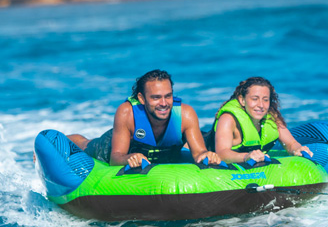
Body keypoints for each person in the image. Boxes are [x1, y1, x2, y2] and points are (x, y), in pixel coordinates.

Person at [68, 69, 221, 168]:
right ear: (141, 98)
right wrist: (129, 157)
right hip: (110, 147)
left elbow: (199, 152)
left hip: (161, 154)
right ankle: (66, 139)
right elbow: (115, 158)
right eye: (156, 97)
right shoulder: (127, 113)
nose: (163, 103)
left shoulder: (185, 114)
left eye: (168, 96)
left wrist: (205, 154)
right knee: (85, 145)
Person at [211, 77, 312, 164]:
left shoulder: (272, 118)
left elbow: (290, 143)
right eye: (255, 99)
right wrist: (246, 157)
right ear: (242, 100)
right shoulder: (228, 119)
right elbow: (222, 153)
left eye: (265, 99)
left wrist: (297, 149)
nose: (261, 105)